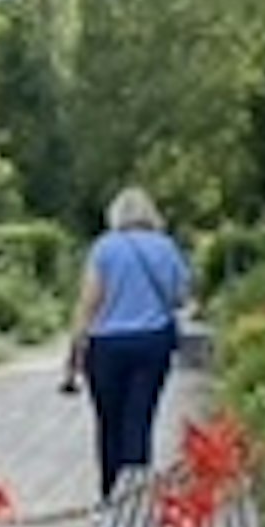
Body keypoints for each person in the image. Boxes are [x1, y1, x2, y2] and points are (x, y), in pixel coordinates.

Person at [66, 185, 192, 499]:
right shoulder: (166, 247)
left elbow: (89, 301)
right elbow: (180, 297)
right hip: (153, 342)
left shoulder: (104, 248)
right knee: (140, 420)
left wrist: (75, 347)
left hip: (107, 346)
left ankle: (110, 494)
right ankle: (135, 497)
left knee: (109, 423)